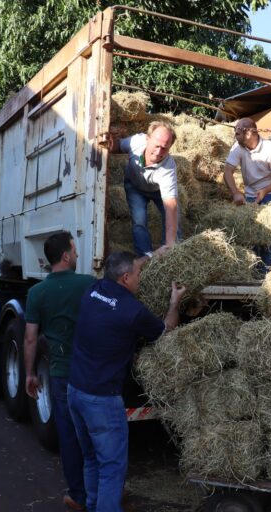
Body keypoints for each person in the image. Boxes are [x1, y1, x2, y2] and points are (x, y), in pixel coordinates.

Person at [67, 251, 186, 512]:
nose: (140, 278)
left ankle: (92, 505)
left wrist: (150, 255)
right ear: (125, 278)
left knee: (90, 458)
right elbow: (166, 332)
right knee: (112, 468)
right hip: (102, 400)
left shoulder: (92, 290)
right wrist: (174, 302)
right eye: (138, 274)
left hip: (75, 391)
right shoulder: (132, 311)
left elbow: (124, 265)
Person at [24, 231, 95, 511]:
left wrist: (30, 373)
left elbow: (30, 338)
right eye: (75, 251)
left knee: (68, 434)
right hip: (89, 370)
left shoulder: (36, 293)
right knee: (94, 432)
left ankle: (78, 494)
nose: (77, 255)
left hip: (60, 372)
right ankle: (102, 490)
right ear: (66, 256)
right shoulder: (88, 284)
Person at [222, 117, 271, 269]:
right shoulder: (238, 147)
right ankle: (253, 269)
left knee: (269, 233)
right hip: (250, 193)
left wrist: (265, 190)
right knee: (251, 232)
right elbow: (227, 170)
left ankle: (268, 269)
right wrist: (236, 193)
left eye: (238, 132)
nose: (235, 135)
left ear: (250, 133)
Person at [109, 121, 180, 257]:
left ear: (170, 147)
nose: (159, 152)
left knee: (173, 221)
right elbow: (117, 146)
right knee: (139, 221)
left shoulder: (168, 168)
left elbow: (171, 205)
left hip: (157, 191)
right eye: (157, 145)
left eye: (164, 148)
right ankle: (144, 258)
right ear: (147, 139)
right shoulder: (136, 141)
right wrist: (110, 142)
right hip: (134, 186)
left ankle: (171, 256)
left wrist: (170, 243)